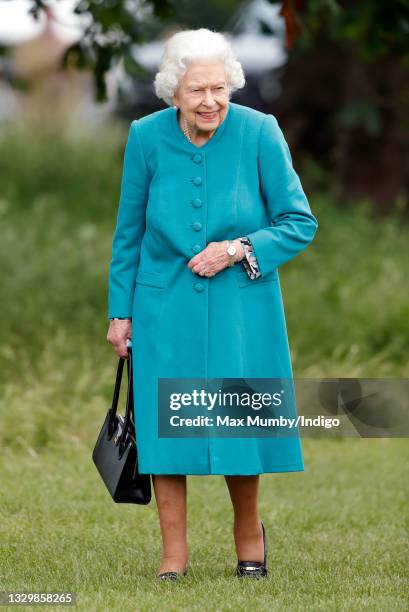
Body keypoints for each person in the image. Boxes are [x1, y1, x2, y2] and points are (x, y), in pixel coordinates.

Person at [106, 27, 318, 581]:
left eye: (220, 88)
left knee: (236, 423)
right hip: (163, 307)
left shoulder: (259, 132)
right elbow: (128, 233)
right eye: (198, 90)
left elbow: (299, 222)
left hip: (240, 309)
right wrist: (119, 312)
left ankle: (249, 535)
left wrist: (237, 248)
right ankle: (173, 555)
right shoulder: (146, 138)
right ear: (173, 91)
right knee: (166, 427)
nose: (210, 102)